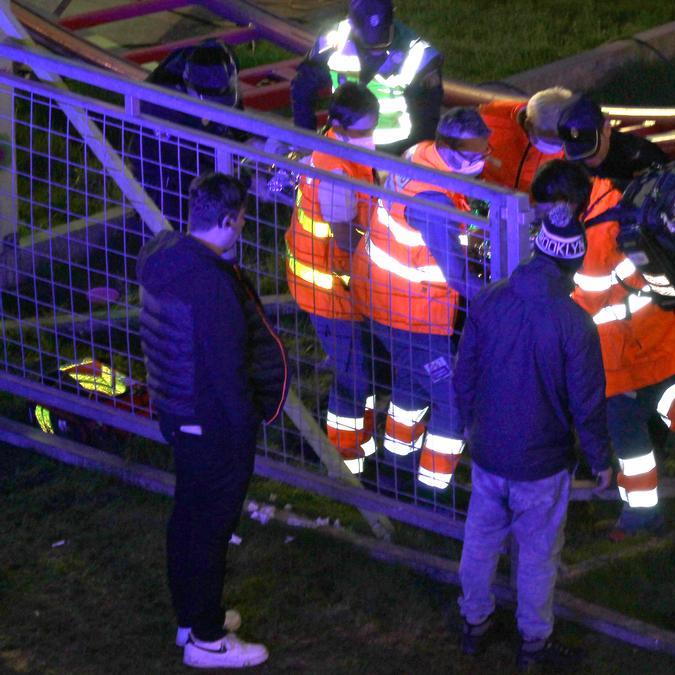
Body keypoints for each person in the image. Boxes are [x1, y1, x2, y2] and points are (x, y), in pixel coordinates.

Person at [454, 171, 612, 670]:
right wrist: (601, 461)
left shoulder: (490, 300)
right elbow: (586, 403)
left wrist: (467, 425)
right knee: (538, 556)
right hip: (542, 463)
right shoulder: (575, 325)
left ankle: (474, 624)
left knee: (480, 541)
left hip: (489, 452)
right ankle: (533, 642)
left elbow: (465, 375)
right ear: (572, 262)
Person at [535, 157, 675, 539]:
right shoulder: (614, 197)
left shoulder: (593, 246)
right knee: (664, 392)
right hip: (664, 329)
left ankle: (641, 517)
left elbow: (584, 309)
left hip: (628, 349)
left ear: (564, 204)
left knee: (630, 437)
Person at [137, 172, 289, 669]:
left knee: (189, 518)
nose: (244, 226)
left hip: (179, 413)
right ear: (227, 221)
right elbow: (227, 370)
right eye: (242, 218)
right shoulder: (212, 286)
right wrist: (246, 425)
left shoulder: (165, 255)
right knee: (210, 529)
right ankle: (206, 640)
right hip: (212, 422)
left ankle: (193, 617)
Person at [352, 107, 490, 490]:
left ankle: (396, 468)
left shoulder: (418, 156)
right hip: (413, 315)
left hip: (385, 300)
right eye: (477, 155)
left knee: (413, 385)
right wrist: (502, 298)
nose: (483, 162)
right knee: (451, 401)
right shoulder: (435, 204)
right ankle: (432, 488)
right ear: (456, 155)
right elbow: (458, 276)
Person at [285, 82, 379, 474]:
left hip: (327, 282)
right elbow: (345, 235)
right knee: (355, 377)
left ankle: (359, 444)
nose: (370, 137)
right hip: (330, 290)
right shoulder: (338, 171)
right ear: (339, 126)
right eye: (363, 130)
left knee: (359, 370)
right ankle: (343, 462)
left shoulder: (333, 151)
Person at [291, 0, 442, 154]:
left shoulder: (419, 55)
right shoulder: (334, 41)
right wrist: (306, 141)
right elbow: (303, 87)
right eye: (368, 48)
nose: (374, 54)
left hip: (392, 150)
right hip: (340, 140)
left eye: (381, 46)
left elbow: (427, 118)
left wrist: (413, 160)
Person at [136, 38, 246, 228]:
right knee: (169, 200)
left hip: (183, 132)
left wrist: (243, 142)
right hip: (157, 152)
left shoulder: (223, 60)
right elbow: (184, 162)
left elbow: (233, 116)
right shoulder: (162, 104)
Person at [555, 93, 667, 186]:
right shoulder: (572, 167)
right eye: (577, 151)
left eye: (590, 150)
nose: (586, 160)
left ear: (607, 129)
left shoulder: (639, 157)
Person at [478, 86, 573, 192]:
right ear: (528, 124)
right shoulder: (493, 115)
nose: (557, 146)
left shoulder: (570, 133)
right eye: (549, 139)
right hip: (487, 191)